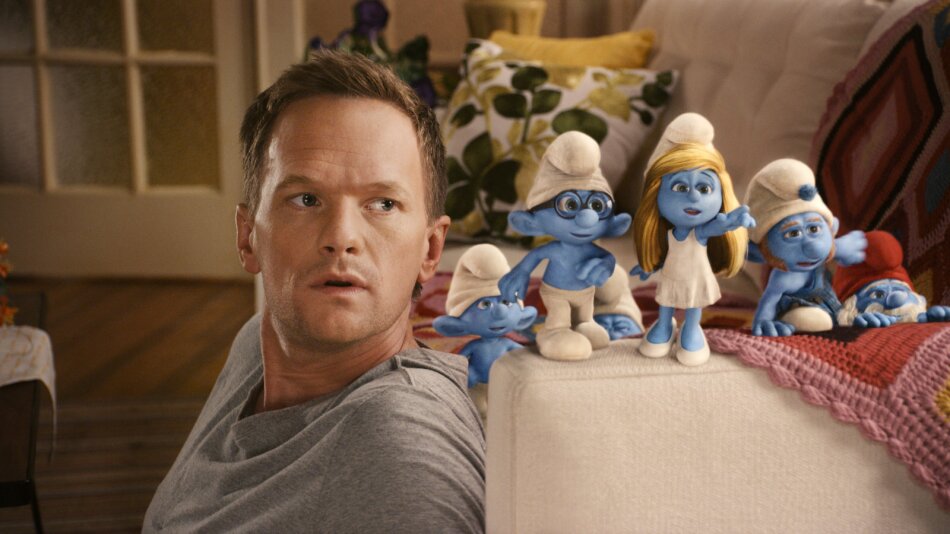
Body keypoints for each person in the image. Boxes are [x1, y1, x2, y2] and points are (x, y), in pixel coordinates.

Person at [144, 50, 486, 532]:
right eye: (306, 199)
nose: (341, 237)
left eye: (383, 204)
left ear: (430, 249)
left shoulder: (401, 451)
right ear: (248, 238)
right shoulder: (257, 345)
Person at [630, 113, 753, 365]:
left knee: (693, 304)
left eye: (704, 188)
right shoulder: (667, 233)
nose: (694, 198)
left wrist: (733, 221)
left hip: (696, 277)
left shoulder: (700, 233)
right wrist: (647, 267)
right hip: (671, 275)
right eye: (680, 188)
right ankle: (664, 325)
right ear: (656, 194)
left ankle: (691, 328)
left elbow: (719, 225)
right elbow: (662, 252)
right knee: (666, 301)